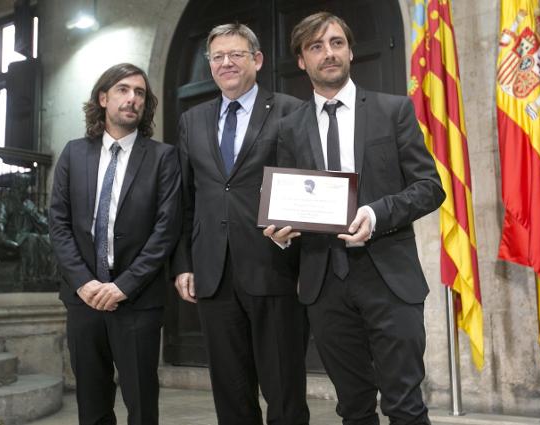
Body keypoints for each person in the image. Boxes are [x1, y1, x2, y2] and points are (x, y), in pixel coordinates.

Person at [264, 12, 445, 425]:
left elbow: (430, 187)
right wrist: (281, 234)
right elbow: (288, 204)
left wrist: (376, 213)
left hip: (389, 278)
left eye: (336, 43)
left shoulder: (392, 110)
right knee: (353, 408)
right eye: (316, 46)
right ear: (301, 60)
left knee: (405, 406)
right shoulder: (289, 128)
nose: (328, 53)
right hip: (324, 284)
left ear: (349, 50)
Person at [172, 23, 309, 425]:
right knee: (230, 393)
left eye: (236, 54)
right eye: (218, 57)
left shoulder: (290, 110)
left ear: (257, 60)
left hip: (275, 267)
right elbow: (185, 198)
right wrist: (183, 263)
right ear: (210, 65)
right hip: (213, 273)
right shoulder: (191, 120)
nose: (226, 63)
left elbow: (308, 183)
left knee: (284, 390)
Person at [49, 63, 182, 425]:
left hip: (138, 300)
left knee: (141, 404)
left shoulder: (163, 157)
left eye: (140, 93)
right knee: (91, 403)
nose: (132, 99)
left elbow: (165, 231)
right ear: (103, 98)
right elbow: (58, 224)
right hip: (84, 299)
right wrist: (84, 282)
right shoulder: (74, 153)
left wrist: (123, 286)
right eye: (123, 90)